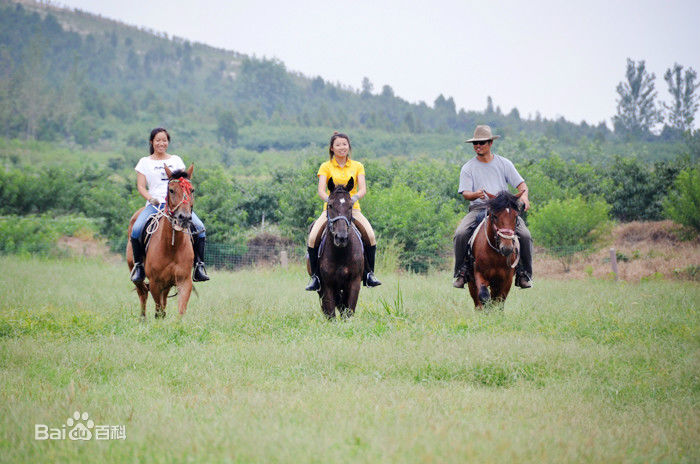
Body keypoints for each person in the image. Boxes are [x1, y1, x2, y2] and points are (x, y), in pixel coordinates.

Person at [453, 125, 533, 289]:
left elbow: (521, 184)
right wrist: (476, 194)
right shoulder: (468, 167)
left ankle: (524, 273)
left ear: (490, 143)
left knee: (525, 235)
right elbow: (465, 193)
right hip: (479, 208)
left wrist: (524, 196)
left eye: (482, 143)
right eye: (475, 144)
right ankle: (461, 271)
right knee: (460, 233)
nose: (478, 146)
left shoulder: (504, 164)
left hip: (502, 210)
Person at [129, 127, 209, 283]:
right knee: (137, 229)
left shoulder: (176, 160)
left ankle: (199, 266)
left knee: (200, 228)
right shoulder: (144, 162)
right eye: (158, 140)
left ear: (168, 142)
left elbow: (184, 183)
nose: (161, 143)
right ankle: (139, 266)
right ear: (152, 142)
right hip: (154, 205)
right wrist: (150, 198)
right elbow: (140, 186)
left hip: (177, 205)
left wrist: (184, 201)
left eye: (164, 140)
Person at [305, 132, 381, 291]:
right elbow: (321, 191)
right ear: (332, 148)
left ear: (349, 146)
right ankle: (315, 277)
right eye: (338, 145)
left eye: (344, 144)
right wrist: (331, 202)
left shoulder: (357, 166)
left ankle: (369, 274)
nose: (342, 147)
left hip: (353, 210)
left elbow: (362, 189)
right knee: (312, 238)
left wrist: (352, 199)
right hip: (331, 211)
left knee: (371, 236)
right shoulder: (325, 166)